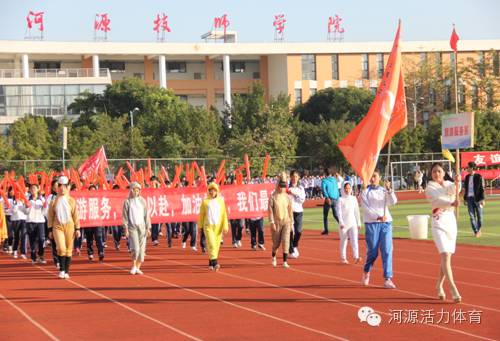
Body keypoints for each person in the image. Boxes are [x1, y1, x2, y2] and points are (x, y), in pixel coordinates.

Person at [425, 162, 462, 303]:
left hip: (450, 222)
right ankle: (453, 288)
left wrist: (458, 182)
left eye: (439, 171)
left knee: (446, 258)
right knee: (445, 254)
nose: (436, 174)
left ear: (443, 172)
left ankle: (439, 285)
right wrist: (451, 203)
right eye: (434, 171)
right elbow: (438, 200)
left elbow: (455, 190)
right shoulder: (429, 187)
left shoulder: (448, 183)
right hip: (438, 221)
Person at [360, 171, 397, 289]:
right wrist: (378, 216)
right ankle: (366, 271)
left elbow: (393, 201)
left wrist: (389, 190)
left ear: (379, 178)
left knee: (387, 250)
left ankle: (387, 278)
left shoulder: (384, 190)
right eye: (370, 176)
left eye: (374, 176)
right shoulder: (365, 192)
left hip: (386, 223)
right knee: (373, 252)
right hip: (372, 223)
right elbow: (366, 208)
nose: (372, 179)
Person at [48, 176, 80, 279]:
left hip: (70, 226)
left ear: (68, 187)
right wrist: (50, 230)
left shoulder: (72, 201)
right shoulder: (53, 201)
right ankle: (61, 269)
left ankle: (66, 271)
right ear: (57, 187)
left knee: (69, 249)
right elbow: (50, 216)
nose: (62, 188)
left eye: (64, 186)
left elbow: (75, 215)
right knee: (61, 248)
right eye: (60, 186)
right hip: (57, 226)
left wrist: (77, 228)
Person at [197, 182, 229, 271]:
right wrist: (200, 226)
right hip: (208, 226)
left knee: (216, 245)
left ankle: (210, 262)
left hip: (218, 227)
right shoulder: (205, 202)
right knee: (211, 244)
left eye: (214, 190)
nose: (212, 192)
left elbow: (224, 214)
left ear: (217, 191)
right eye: (210, 190)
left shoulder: (220, 201)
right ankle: (215, 262)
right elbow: (201, 215)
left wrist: (225, 226)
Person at [122, 182, 151, 275]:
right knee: (135, 248)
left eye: (137, 190)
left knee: (142, 250)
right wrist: (125, 228)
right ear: (131, 190)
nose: (136, 192)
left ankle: (138, 267)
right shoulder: (127, 202)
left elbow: (146, 215)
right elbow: (125, 216)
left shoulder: (143, 201)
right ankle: (134, 266)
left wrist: (148, 227)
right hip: (132, 227)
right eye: (134, 190)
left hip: (142, 227)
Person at [268, 177, 293, 268]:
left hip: (286, 221)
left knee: (286, 240)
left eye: (283, 187)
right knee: (276, 243)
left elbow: (290, 210)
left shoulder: (287, 197)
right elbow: (270, 210)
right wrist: (272, 222)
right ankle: (274, 256)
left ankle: (285, 261)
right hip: (276, 221)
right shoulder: (273, 197)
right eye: (280, 186)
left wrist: (291, 223)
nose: (281, 188)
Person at [337, 182, 361, 264]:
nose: (347, 190)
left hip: (353, 223)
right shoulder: (340, 199)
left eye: (349, 188)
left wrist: (359, 223)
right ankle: (343, 258)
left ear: (351, 189)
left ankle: (356, 256)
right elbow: (339, 213)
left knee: (354, 240)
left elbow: (357, 211)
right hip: (343, 224)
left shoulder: (354, 198)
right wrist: (341, 223)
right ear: (343, 189)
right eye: (346, 188)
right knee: (343, 242)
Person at [25, 184, 47, 264]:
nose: (33, 189)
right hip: (30, 221)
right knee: (32, 240)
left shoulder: (42, 199)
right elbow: (25, 212)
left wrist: (44, 207)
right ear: (29, 190)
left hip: (40, 222)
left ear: (38, 189)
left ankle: (41, 256)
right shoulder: (27, 199)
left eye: (34, 188)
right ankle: (33, 257)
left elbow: (45, 212)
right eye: (31, 188)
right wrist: (27, 207)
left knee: (41, 239)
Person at [463, 162, 485, 238]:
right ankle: (476, 231)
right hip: (469, 199)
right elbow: (466, 189)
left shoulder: (479, 177)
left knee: (480, 217)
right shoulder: (466, 177)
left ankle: (479, 229)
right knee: (472, 216)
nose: (467, 168)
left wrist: (482, 199)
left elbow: (482, 189)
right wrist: (465, 199)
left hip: (478, 199)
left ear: (472, 168)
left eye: (468, 167)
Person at [288, 170, 305, 259]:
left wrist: (294, 194)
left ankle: (294, 246)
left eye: (296, 176)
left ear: (298, 178)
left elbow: (302, 200)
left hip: (298, 211)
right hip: (289, 212)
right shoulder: (287, 188)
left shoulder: (301, 188)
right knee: (290, 232)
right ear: (290, 177)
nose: (294, 178)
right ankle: (291, 250)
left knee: (298, 231)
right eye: (293, 176)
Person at [321, 167, 339, 235]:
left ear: (325, 173)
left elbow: (324, 190)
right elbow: (337, 189)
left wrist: (327, 197)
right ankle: (342, 226)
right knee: (335, 215)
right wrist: (337, 197)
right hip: (335, 198)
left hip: (328, 199)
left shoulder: (324, 181)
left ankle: (326, 230)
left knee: (325, 216)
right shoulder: (334, 180)